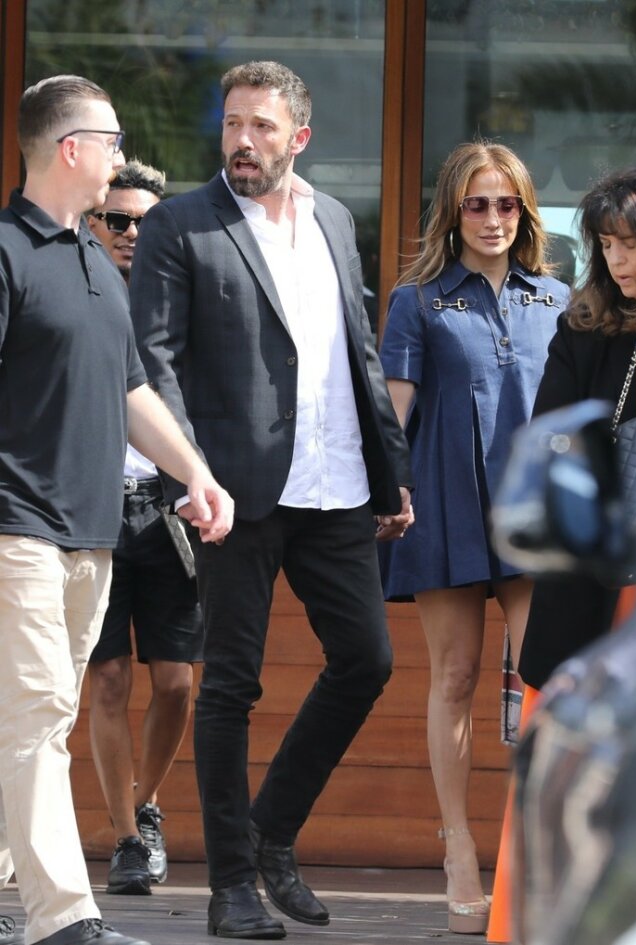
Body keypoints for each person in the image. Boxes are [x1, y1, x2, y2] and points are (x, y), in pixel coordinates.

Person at [129, 60, 414, 941]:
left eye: (260, 125)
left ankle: (269, 832)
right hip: (232, 491)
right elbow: (153, 362)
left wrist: (389, 469)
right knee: (231, 684)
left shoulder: (334, 218)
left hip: (337, 485)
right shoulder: (181, 223)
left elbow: (357, 350)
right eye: (232, 124)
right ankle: (231, 884)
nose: (242, 141)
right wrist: (189, 475)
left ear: (299, 136)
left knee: (365, 659)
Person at [0, 75, 233, 945]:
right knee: (35, 720)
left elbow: (132, 389)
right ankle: (63, 916)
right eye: (111, 139)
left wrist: (195, 473)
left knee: (39, 720)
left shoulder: (96, 261)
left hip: (89, 532)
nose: (119, 153)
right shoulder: (5, 254)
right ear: (71, 148)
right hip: (16, 527)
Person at [377, 140, 569, 935]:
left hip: (536, 515)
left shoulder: (560, 298)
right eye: (476, 204)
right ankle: (457, 850)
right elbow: (392, 416)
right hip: (445, 504)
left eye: (505, 203)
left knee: (547, 681)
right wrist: (387, 491)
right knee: (453, 677)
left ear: (524, 210)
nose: (492, 218)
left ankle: (537, 854)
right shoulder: (415, 300)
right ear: (452, 213)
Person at [488, 165, 636, 943]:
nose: (617, 259)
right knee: (566, 753)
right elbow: (555, 434)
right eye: (606, 243)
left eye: (632, 242)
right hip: (600, 574)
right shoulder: (587, 324)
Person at [86, 160, 203, 896]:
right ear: (93, 224)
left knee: (176, 681)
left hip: (168, 509)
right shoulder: (73, 294)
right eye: (118, 219)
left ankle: (146, 801)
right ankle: (127, 837)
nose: (132, 233)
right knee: (107, 678)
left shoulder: (185, 301)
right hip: (90, 507)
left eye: (147, 222)